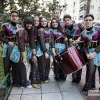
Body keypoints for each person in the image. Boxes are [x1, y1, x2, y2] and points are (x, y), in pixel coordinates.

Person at [0, 10, 28, 87]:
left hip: (16, 49)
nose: (14, 17)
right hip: (7, 48)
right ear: (10, 16)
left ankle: (16, 82)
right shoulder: (4, 26)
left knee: (16, 65)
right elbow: (0, 36)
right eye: (13, 16)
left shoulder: (20, 27)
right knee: (7, 66)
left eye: (16, 16)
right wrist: (8, 42)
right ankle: (7, 83)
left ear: (18, 17)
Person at [79, 14, 100, 94]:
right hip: (90, 53)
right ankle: (88, 86)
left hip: (98, 51)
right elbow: (84, 46)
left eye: (90, 20)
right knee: (90, 71)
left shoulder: (98, 29)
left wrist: (95, 52)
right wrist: (87, 54)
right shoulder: (83, 33)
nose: (88, 21)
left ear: (92, 21)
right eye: (86, 20)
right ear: (84, 21)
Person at [18, 17, 40, 89]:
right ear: (25, 23)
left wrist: (34, 54)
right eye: (27, 24)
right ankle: (24, 83)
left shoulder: (30, 30)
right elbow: (21, 44)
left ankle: (34, 81)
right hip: (21, 51)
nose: (29, 25)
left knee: (35, 63)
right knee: (24, 66)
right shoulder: (21, 30)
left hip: (29, 50)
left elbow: (32, 42)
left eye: (30, 24)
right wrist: (24, 56)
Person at [62, 14, 85, 84]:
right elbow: (66, 38)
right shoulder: (64, 28)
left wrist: (80, 39)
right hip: (72, 46)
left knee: (79, 62)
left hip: (80, 46)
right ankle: (74, 78)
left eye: (68, 20)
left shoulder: (79, 25)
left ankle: (78, 78)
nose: (67, 22)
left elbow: (85, 33)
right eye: (65, 21)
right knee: (73, 62)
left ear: (71, 20)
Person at [38, 16, 51, 82]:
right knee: (43, 64)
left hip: (47, 47)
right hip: (42, 49)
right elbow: (41, 41)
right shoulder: (40, 30)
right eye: (42, 21)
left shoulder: (46, 29)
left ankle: (46, 77)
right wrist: (44, 52)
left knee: (47, 63)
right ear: (40, 22)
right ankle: (42, 78)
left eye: (45, 21)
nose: (44, 22)